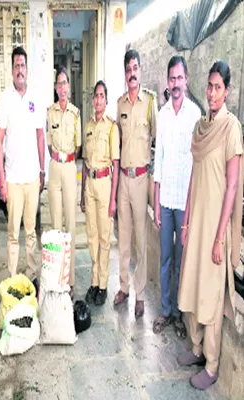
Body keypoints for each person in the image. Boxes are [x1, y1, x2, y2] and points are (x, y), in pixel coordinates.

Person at [177, 61, 243, 390]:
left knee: (212, 296)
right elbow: (194, 178)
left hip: (215, 229)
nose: (212, 92)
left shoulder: (231, 128)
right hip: (197, 223)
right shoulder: (201, 127)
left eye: (218, 87)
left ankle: (213, 366)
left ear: (227, 90)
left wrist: (221, 238)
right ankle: (197, 349)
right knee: (193, 286)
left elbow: (231, 186)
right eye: (209, 86)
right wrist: (186, 221)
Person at [152, 56, 201, 337]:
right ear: (167, 82)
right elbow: (158, 160)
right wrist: (157, 203)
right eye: (171, 79)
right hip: (166, 200)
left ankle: (181, 315)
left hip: (184, 202)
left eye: (179, 78)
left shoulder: (194, 116)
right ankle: (167, 311)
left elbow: (196, 163)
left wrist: (191, 207)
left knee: (182, 261)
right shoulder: (162, 114)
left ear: (186, 79)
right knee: (166, 259)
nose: (175, 84)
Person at [114, 49, 158, 318]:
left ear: (140, 70)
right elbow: (117, 142)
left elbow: (156, 139)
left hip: (141, 179)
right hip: (123, 180)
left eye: (135, 68)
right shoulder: (119, 105)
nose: (132, 72)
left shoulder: (150, 103)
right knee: (124, 239)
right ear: (125, 73)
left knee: (141, 240)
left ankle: (140, 295)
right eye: (128, 68)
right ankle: (124, 287)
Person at [0, 46, 45, 280]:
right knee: (13, 234)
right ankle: (13, 278)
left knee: (32, 232)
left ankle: (33, 275)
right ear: (11, 69)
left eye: (22, 65)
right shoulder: (5, 99)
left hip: (32, 177)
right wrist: (2, 181)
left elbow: (40, 135)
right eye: (16, 66)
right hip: (13, 179)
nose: (19, 70)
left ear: (27, 69)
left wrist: (42, 169)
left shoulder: (36, 97)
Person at [81, 81, 119, 306]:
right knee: (91, 236)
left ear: (106, 100)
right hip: (90, 184)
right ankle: (94, 282)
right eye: (95, 96)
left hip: (105, 184)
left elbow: (115, 162)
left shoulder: (111, 127)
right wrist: (82, 194)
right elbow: (85, 163)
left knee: (105, 238)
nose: (98, 100)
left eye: (102, 96)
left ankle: (103, 285)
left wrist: (113, 198)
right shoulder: (88, 126)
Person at [46, 66, 81, 296]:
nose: (62, 87)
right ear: (56, 88)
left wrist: (67, 160)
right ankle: (56, 277)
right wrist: (58, 158)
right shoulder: (50, 112)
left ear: (69, 86)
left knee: (70, 225)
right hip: (54, 168)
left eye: (64, 83)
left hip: (69, 167)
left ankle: (69, 280)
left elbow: (78, 146)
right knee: (56, 225)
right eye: (58, 83)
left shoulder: (75, 113)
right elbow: (49, 142)